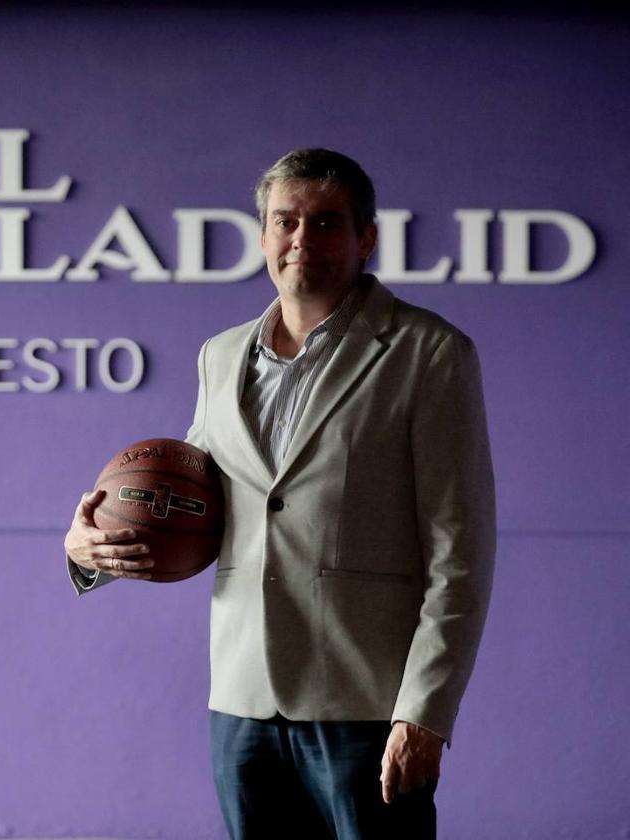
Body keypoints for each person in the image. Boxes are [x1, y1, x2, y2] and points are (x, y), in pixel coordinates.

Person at [64, 149, 495, 839]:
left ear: (366, 238)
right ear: (263, 234)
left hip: (369, 708)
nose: (302, 240)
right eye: (285, 221)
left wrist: (425, 713)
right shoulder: (220, 355)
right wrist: (90, 548)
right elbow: (185, 501)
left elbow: (460, 554)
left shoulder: (429, 353)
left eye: (326, 223)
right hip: (241, 702)